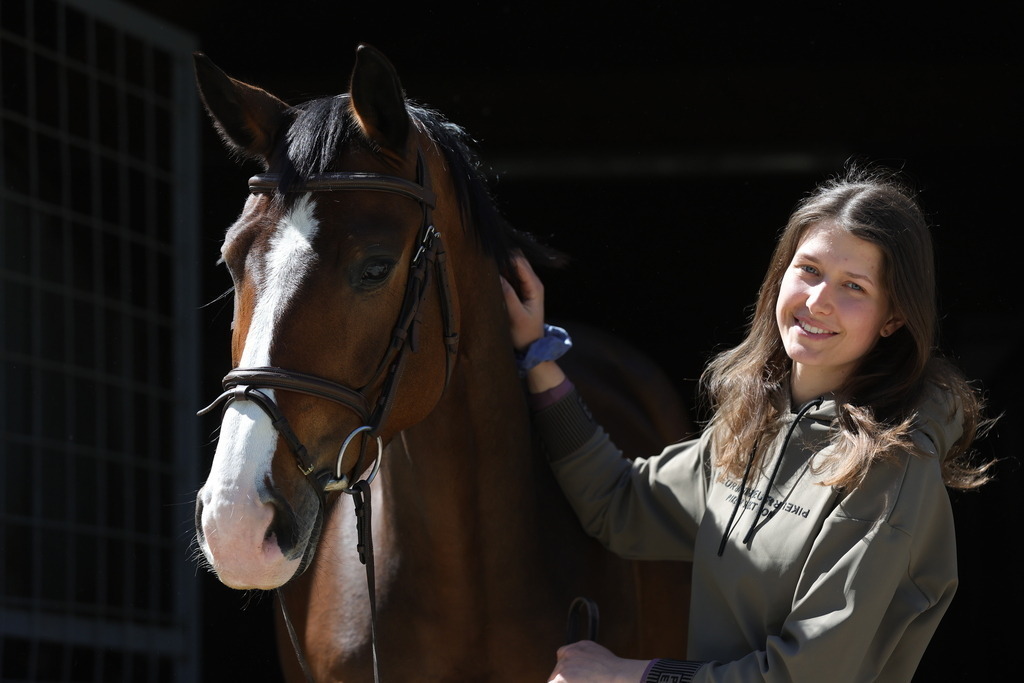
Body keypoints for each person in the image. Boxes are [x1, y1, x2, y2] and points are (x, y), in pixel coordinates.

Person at [501, 166, 992, 682]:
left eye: (853, 286)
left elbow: (803, 677)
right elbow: (619, 504)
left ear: (892, 318)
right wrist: (537, 356)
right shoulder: (754, 424)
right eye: (808, 270)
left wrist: (631, 676)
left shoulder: (891, 470)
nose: (818, 299)